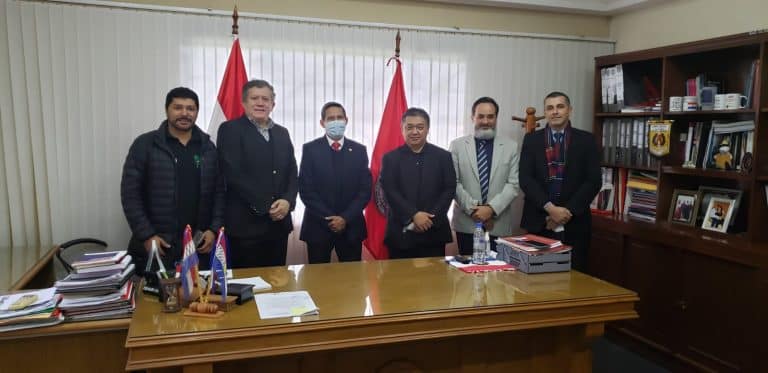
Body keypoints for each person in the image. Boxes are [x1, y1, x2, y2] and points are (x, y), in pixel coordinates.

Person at [121, 87, 224, 275]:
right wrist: (146, 235)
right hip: (159, 244)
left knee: (198, 299)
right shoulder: (145, 145)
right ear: (167, 110)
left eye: (190, 108)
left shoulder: (208, 147)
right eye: (178, 107)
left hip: (198, 244)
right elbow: (130, 195)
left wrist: (213, 229)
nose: (184, 113)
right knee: (154, 301)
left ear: (197, 112)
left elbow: (219, 192)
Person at [216, 79, 298, 268]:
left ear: (272, 104)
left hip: (279, 226)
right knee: (247, 288)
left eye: (265, 99)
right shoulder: (230, 130)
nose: (260, 103)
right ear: (244, 103)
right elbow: (232, 173)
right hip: (245, 227)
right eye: (254, 98)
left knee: (277, 285)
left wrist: (287, 201)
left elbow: (292, 173)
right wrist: (268, 206)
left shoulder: (282, 133)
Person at [519, 91, 601, 272]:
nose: (555, 112)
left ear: (570, 110)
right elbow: (525, 179)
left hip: (575, 223)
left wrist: (566, 213)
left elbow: (593, 181)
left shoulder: (586, 140)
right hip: (539, 221)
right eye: (550, 108)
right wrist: (550, 209)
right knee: (536, 279)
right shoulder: (531, 140)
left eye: (560, 107)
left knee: (575, 277)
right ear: (545, 112)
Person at [299, 102, 372, 263]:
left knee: (352, 281)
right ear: (322, 122)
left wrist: (344, 218)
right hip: (318, 226)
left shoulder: (359, 150)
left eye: (339, 117)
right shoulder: (310, 149)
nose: (336, 121)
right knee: (317, 280)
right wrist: (330, 218)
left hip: (351, 226)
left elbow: (365, 190)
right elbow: (306, 189)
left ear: (346, 120)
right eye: (331, 118)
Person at [381, 107, 456, 259]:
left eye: (420, 127)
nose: (414, 132)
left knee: (434, 281)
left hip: (434, 233)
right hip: (401, 233)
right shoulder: (390, 158)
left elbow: (449, 189)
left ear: (428, 129)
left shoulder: (443, 157)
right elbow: (390, 191)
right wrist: (413, 215)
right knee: (398, 281)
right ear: (402, 129)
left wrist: (429, 220)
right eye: (409, 127)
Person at [449, 97, 520, 255]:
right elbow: (453, 183)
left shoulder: (511, 147)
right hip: (467, 224)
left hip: (499, 223)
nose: (485, 121)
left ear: (496, 118)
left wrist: (491, 209)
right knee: (468, 274)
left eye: (490, 116)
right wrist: (474, 209)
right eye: (481, 116)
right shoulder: (457, 146)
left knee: (498, 274)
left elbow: (513, 184)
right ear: (472, 117)